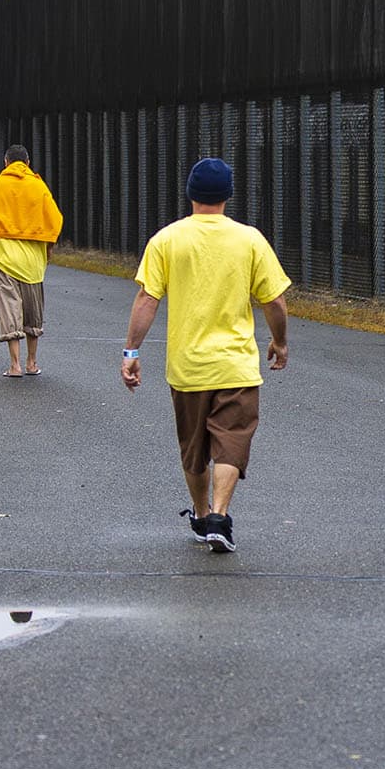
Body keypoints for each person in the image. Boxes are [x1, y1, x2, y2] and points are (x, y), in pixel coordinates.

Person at [121, 157, 291, 553]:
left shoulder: (167, 240)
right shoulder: (250, 239)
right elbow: (275, 301)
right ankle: (219, 513)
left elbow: (147, 298)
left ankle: (201, 514)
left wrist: (131, 351)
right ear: (228, 196)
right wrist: (280, 341)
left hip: (188, 367)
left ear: (191, 194)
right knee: (233, 440)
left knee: (193, 447)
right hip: (236, 365)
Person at [0, 145, 65, 377]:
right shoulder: (38, 187)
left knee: (10, 310)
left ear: (5, 162)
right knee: (32, 313)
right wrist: (48, 248)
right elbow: (56, 220)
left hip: (5, 259)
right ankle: (32, 363)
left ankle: (15, 366)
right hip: (33, 262)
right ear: (28, 163)